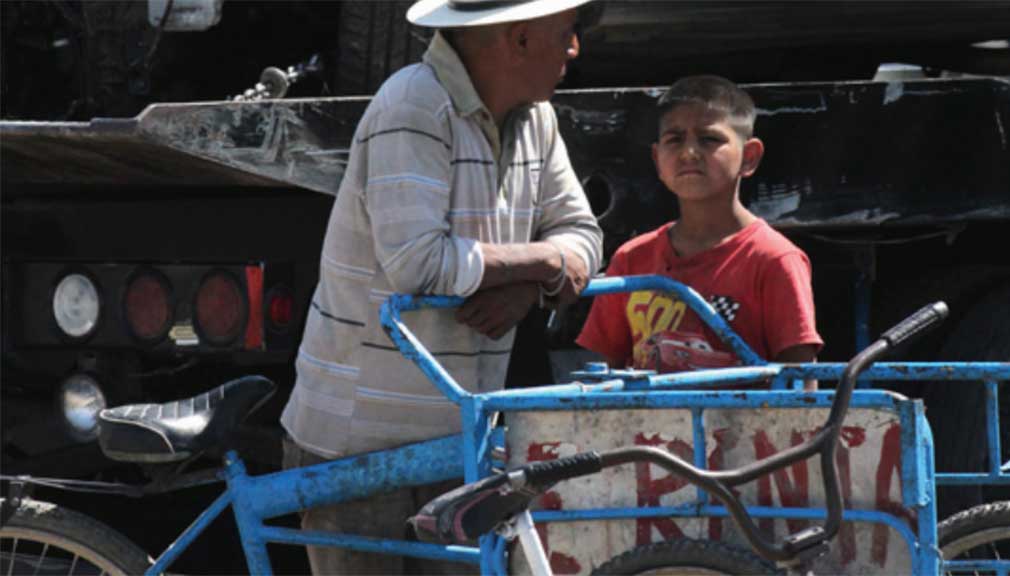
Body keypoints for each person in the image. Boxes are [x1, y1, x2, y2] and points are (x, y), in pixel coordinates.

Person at [279, 0, 602, 573]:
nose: (574, 48)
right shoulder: (414, 104)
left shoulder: (536, 120)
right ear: (518, 40)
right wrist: (543, 260)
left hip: (460, 434)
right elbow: (418, 263)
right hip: (361, 449)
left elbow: (582, 236)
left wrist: (531, 289)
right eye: (565, 32)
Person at [576, 75, 822, 385]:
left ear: (749, 157)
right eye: (674, 139)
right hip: (647, 432)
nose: (689, 152)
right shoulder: (631, 259)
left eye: (709, 139)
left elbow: (801, 384)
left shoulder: (774, 259)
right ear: (657, 159)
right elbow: (605, 377)